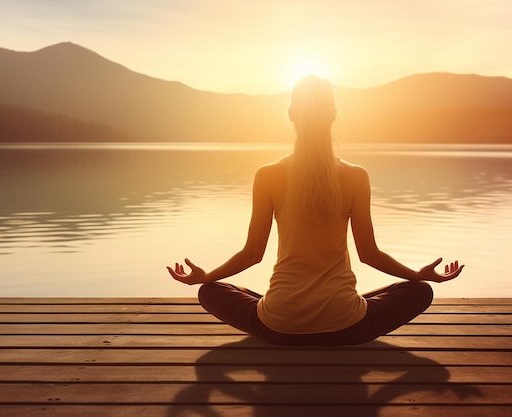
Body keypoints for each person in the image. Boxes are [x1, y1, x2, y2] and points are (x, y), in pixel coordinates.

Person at [166, 75, 464, 346]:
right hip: (347, 326)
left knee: (210, 292)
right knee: (419, 291)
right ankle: (339, 307)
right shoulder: (356, 176)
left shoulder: (268, 175)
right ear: (333, 116)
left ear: (291, 114)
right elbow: (369, 254)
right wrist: (417, 274)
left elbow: (252, 254)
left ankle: (281, 308)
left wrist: (205, 277)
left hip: (279, 326)